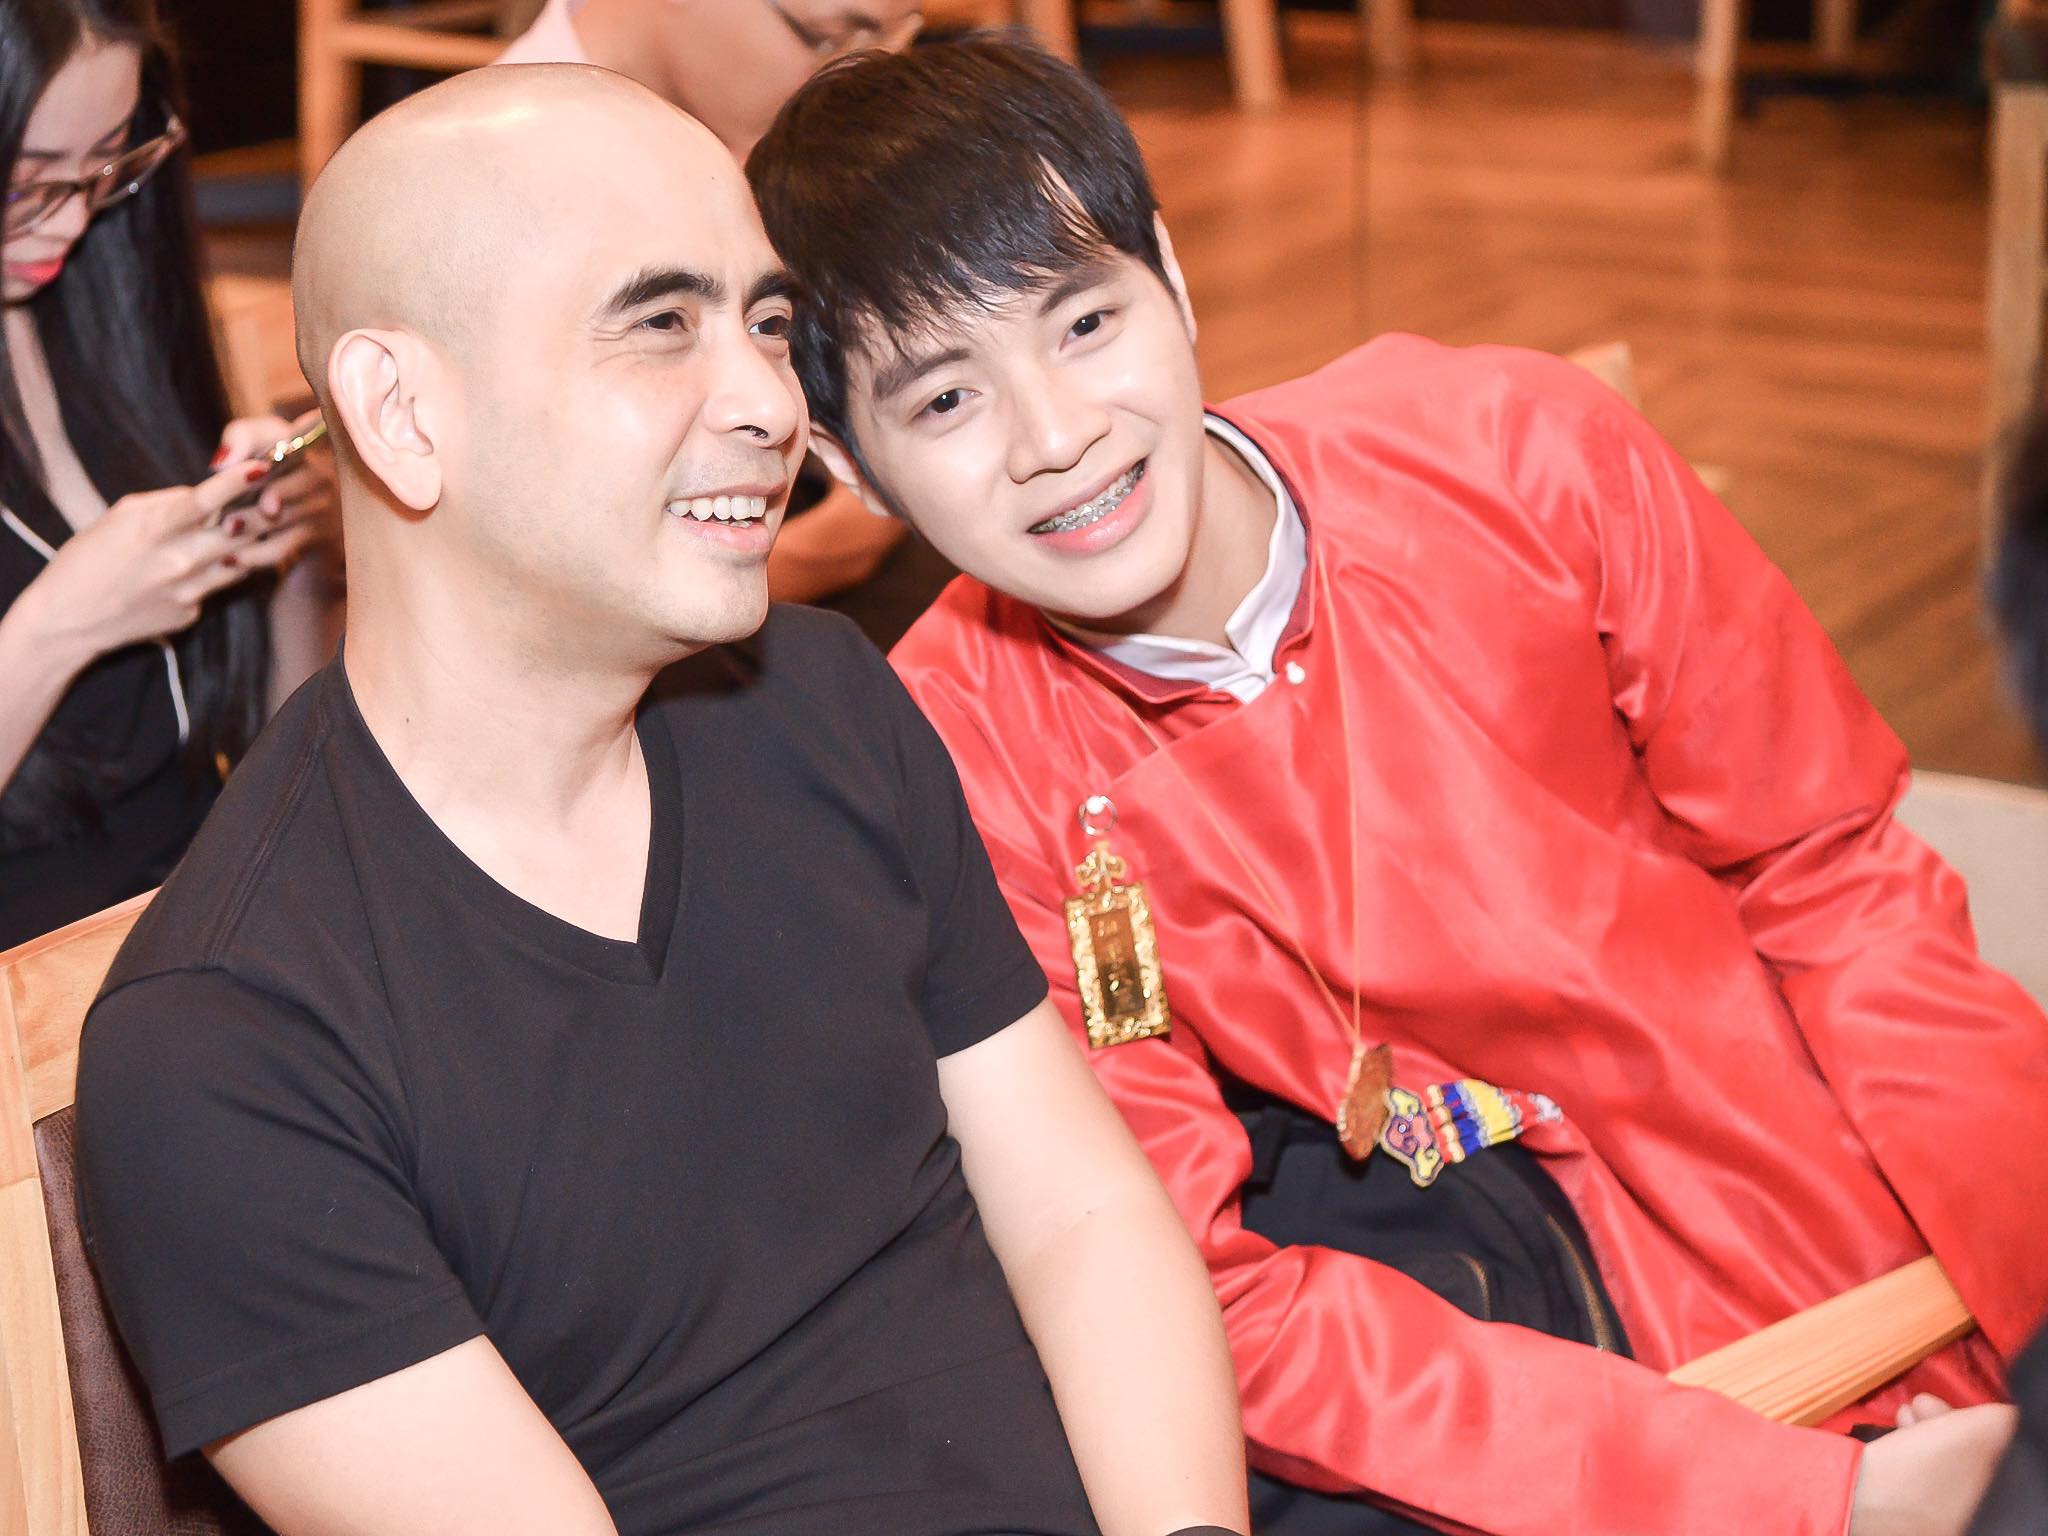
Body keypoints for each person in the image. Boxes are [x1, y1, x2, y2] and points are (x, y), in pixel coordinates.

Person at [747, 36, 2044, 1536]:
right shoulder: (951, 764)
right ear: (849, 465)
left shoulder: (1520, 454)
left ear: (1174, 273)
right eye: (945, 403)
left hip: (1846, 1199)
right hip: (1502, 1367)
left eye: (1086, 321)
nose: (1057, 437)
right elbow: (1194, 1286)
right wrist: (1805, 1498)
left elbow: (1836, 877)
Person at [74, 64, 1249, 1536]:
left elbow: (1083, 1218)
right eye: (660, 326)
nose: (769, 403)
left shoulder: (819, 701)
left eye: (766, 325)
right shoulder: (227, 1044)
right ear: (401, 412)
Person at [0, 0, 336, 950]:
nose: (72, 218)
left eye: (107, 162)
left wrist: (282, 556)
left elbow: (276, 768)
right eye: (26, 182)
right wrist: (55, 629)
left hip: (205, 935)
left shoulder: (103, 301)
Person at [495, 0, 943, 639]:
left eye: (899, 38)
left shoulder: (762, 135)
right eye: (824, 36)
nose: (849, 77)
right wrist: (817, 549)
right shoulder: (499, 191)